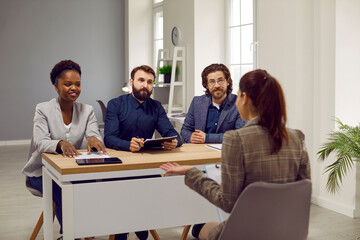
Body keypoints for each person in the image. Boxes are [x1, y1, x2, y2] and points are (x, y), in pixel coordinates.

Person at [161, 69, 311, 240]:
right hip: (288, 229)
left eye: (238, 95)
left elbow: (227, 202)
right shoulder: (297, 137)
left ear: (244, 98)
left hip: (246, 231)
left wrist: (191, 173)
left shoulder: (236, 139)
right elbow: (303, 190)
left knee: (201, 228)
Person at [22, 60, 106, 239]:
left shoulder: (87, 110)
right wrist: (59, 144)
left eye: (77, 84)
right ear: (56, 86)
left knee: (91, 186)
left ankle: (87, 229)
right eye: (67, 84)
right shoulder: (42, 109)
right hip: (40, 173)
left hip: (70, 170)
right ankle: (70, 235)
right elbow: (40, 142)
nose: (73, 88)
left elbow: (93, 134)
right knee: (62, 188)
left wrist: (93, 137)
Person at [104, 65, 182, 240]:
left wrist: (173, 142)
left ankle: (141, 223)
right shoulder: (115, 104)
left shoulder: (156, 106)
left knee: (151, 192)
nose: (145, 85)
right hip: (120, 167)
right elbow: (108, 138)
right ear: (131, 82)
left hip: (146, 167)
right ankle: (125, 232)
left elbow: (172, 133)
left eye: (149, 82)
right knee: (126, 196)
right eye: (141, 80)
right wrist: (127, 145)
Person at [181, 63, 246, 144]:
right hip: (200, 151)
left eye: (220, 80)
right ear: (206, 85)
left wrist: (207, 138)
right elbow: (185, 130)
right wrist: (191, 138)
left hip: (227, 151)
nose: (217, 85)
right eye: (212, 82)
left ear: (228, 82)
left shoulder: (238, 103)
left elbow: (240, 135)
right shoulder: (197, 102)